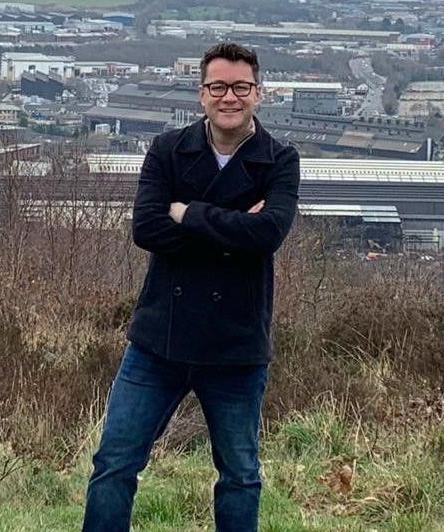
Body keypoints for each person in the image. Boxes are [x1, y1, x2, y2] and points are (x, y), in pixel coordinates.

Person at [82, 43, 301, 532]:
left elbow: (268, 235)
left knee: (240, 475)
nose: (230, 97)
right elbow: (147, 230)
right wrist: (230, 230)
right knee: (114, 463)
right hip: (160, 340)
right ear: (202, 94)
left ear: (258, 95)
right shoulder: (168, 150)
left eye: (240, 87)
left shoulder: (280, 159)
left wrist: (188, 213)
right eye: (218, 87)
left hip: (236, 347)